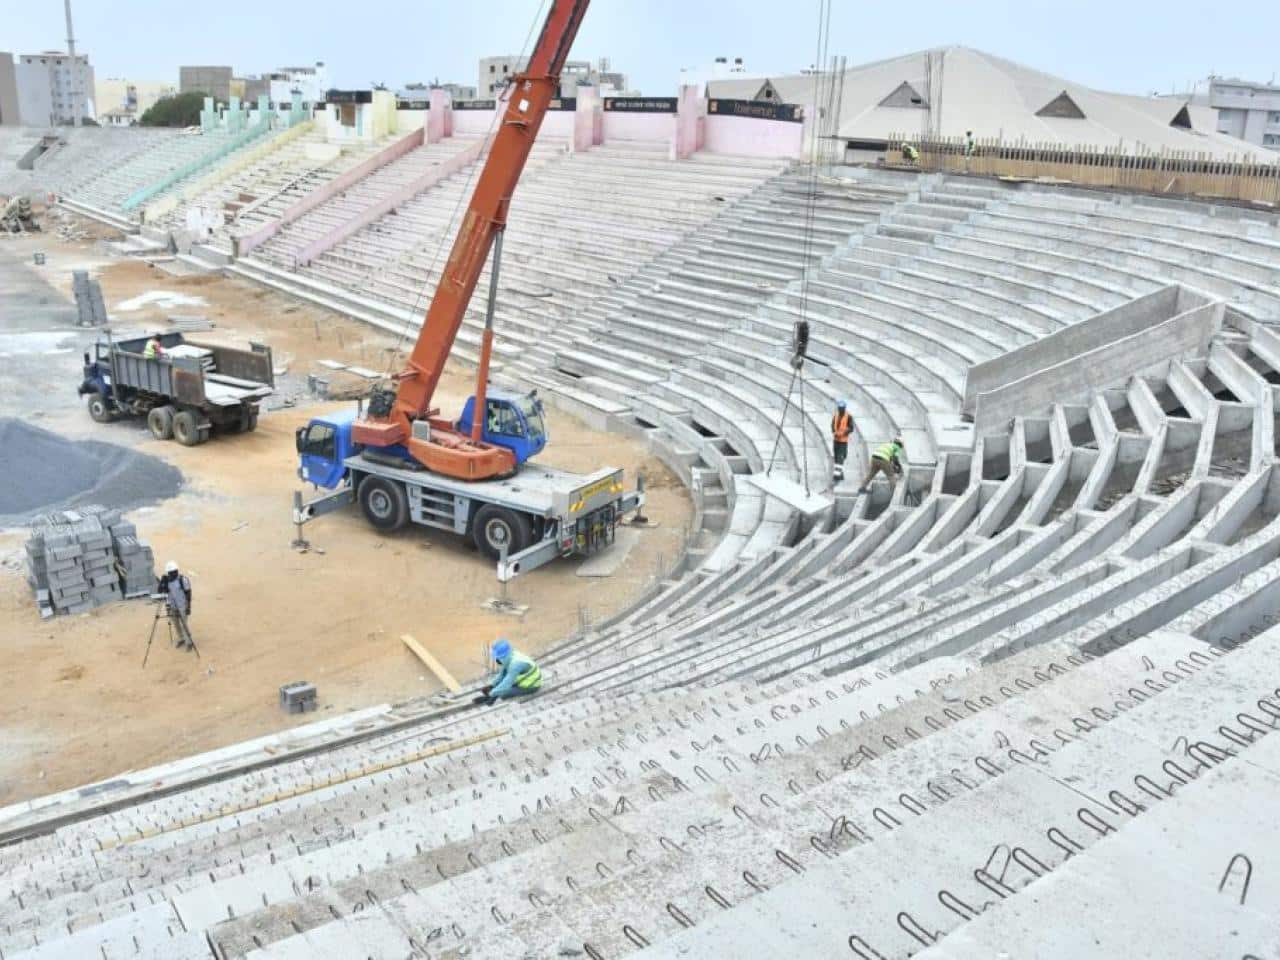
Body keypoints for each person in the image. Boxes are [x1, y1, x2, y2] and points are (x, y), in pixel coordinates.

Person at [474, 639, 542, 705]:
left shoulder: (516, 665)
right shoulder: (510, 656)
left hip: (531, 686)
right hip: (521, 681)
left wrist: (490, 695)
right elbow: (502, 674)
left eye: (497, 657)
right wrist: (492, 685)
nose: (496, 659)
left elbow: (506, 684)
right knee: (500, 688)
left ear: (502, 656)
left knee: (504, 694)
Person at [156, 561, 194, 649]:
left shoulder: (183, 580)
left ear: (177, 571)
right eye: (171, 572)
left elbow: (188, 593)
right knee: (176, 623)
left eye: (174, 571)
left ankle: (189, 642)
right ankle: (181, 638)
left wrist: (188, 607)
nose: (173, 573)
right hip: (172, 606)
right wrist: (162, 582)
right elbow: (159, 591)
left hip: (182, 605)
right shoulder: (167, 581)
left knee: (184, 624)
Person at [831, 400, 853, 481]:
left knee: (841, 457)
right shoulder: (836, 416)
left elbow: (851, 428)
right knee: (836, 457)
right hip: (836, 440)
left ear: (844, 408)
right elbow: (833, 425)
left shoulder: (848, 417)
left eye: (841, 408)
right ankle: (840, 474)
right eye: (839, 408)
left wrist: (843, 433)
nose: (840, 410)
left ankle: (837, 476)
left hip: (843, 441)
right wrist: (834, 432)